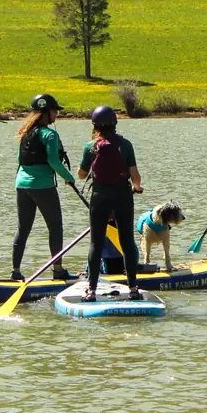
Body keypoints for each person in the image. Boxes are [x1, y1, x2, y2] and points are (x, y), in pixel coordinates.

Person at [76, 105, 144, 301]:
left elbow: (81, 175)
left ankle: (91, 290)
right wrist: (137, 187)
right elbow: (135, 175)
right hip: (123, 195)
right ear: (115, 123)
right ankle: (133, 288)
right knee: (127, 241)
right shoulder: (126, 145)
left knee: (96, 243)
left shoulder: (90, 147)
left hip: (99, 196)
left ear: (95, 125)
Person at [12, 93, 76, 282]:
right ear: (47, 113)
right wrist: (69, 177)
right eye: (55, 110)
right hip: (43, 187)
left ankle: (15, 271)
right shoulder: (50, 134)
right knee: (55, 227)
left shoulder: (25, 133)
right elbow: (53, 162)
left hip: (22, 185)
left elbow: (19, 159)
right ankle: (58, 270)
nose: (57, 114)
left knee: (23, 229)